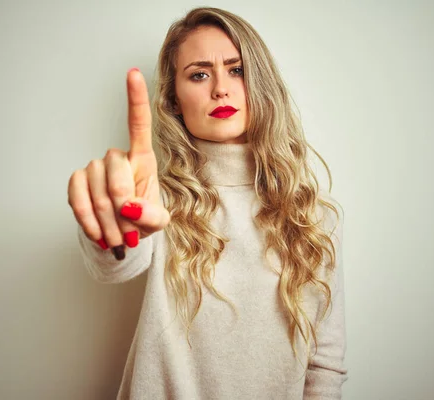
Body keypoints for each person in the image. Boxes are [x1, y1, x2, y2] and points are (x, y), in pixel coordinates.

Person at [67, 6, 347, 399]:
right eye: (199, 74)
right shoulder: (157, 202)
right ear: (175, 100)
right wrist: (112, 226)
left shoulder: (310, 215)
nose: (221, 88)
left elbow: (325, 365)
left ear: (260, 82)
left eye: (236, 70)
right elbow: (116, 264)